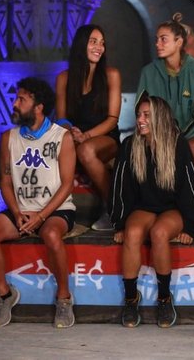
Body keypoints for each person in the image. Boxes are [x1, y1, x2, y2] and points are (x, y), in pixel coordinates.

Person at [0, 77, 76, 328]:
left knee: (51, 235)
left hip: (56, 209)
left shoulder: (61, 137)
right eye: (16, 98)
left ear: (39, 107)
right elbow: (5, 182)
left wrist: (41, 216)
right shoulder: (8, 138)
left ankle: (64, 298)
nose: (15, 103)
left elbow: (67, 184)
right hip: (21, 210)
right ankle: (4, 295)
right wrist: (16, 212)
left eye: (21, 99)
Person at [109, 93, 194, 328]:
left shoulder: (178, 144)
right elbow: (120, 188)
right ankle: (131, 298)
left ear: (160, 118)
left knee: (159, 233)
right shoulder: (130, 145)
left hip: (173, 209)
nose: (140, 120)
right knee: (132, 233)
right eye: (139, 115)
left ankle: (164, 298)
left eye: (147, 115)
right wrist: (120, 224)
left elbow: (190, 187)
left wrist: (191, 227)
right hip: (144, 207)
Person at [55, 24, 122, 231]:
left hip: (105, 136)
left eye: (102, 43)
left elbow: (113, 119)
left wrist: (86, 136)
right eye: (93, 42)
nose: (99, 47)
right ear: (81, 44)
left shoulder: (111, 74)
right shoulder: (64, 78)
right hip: (74, 137)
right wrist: (72, 132)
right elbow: (61, 119)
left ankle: (115, 209)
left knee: (86, 150)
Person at [137, 12, 194, 193]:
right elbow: (140, 109)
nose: (157, 44)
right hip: (156, 134)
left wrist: (176, 139)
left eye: (163, 39)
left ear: (179, 42)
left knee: (191, 147)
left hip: (193, 135)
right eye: (157, 39)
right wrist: (161, 136)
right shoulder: (148, 72)